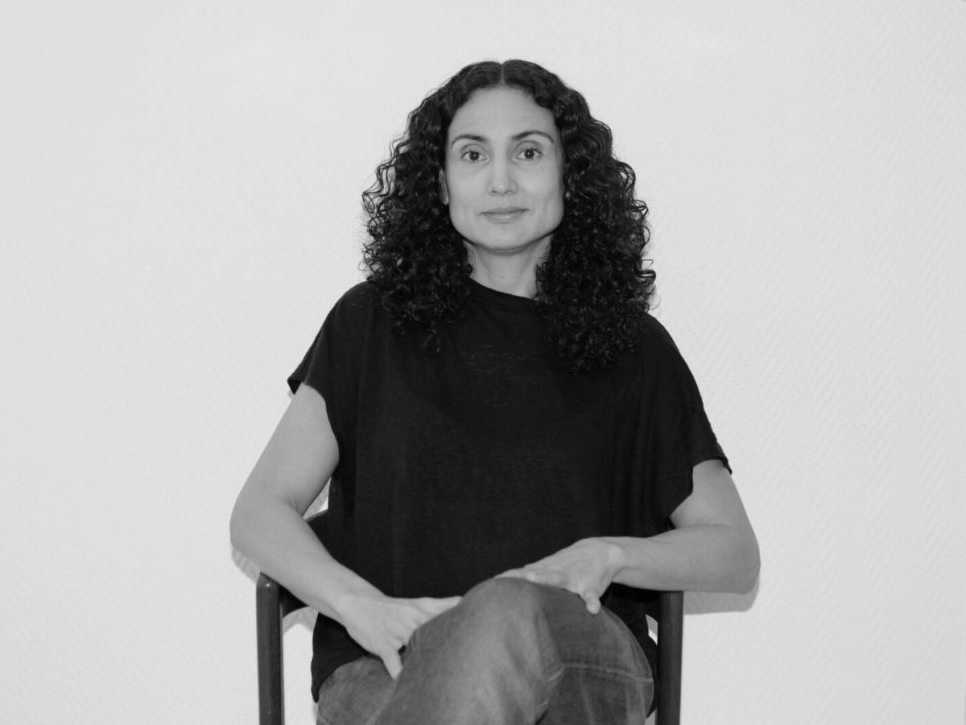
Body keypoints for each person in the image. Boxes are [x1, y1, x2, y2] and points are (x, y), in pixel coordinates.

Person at [230, 59, 759, 725]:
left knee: (505, 607)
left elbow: (733, 550)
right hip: (388, 666)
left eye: (529, 152)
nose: (501, 180)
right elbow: (259, 510)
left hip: (577, 662)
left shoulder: (634, 349)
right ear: (440, 183)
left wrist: (609, 555)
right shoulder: (369, 325)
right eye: (473, 154)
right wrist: (357, 604)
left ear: (569, 175)